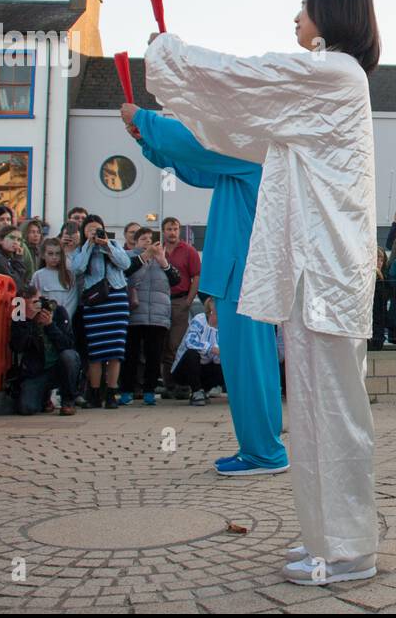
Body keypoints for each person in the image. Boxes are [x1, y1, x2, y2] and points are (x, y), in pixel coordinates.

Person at [142, 0, 382, 585]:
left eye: (303, 7)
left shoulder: (333, 74)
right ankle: (327, 540)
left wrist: (170, 54)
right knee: (310, 412)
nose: (295, 18)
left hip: (327, 273)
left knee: (333, 410)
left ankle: (351, 548)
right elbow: (238, 125)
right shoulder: (322, 83)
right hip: (313, 271)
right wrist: (176, 86)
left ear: (330, 11)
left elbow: (247, 78)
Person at [123, 103, 287, 476]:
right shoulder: (243, 158)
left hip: (242, 274)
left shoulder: (253, 151)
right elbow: (194, 168)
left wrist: (146, 120)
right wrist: (147, 143)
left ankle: (264, 453)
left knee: (247, 365)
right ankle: (262, 448)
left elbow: (195, 146)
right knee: (250, 364)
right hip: (244, 273)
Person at [68, 215, 132, 408]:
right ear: (83, 232)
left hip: (116, 299)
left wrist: (106, 246)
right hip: (95, 302)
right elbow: (77, 268)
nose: (95, 233)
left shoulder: (112, 244)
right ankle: (95, 393)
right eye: (90, 230)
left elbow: (125, 264)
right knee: (96, 351)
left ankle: (111, 393)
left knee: (115, 350)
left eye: (98, 229)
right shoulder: (81, 250)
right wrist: (88, 244)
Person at [121, 228, 181, 406]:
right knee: (130, 355)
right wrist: (145, 257)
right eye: (143, 238)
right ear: (136, 241)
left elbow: (176, 280)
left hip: (157, 316)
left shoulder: (162, 260)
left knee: (153, 356)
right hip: (134, 314)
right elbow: (127, 274)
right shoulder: (129, 257)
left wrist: (163, 261)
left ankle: (149, 390)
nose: (148, 241)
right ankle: (126, 390)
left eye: (151, 239)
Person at [10, 285, 81, 416]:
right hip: (37, 371)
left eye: (36, 301)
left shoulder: (57, 311)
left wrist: (50, 325)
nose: (35, 306)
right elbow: (18, 347)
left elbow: (68, 344)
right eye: (28, 303)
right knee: (26, 408)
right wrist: (28, 320)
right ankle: (44, 398)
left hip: (60, 367)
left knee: (69, 356)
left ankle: (68, 401)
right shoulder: (20, 316)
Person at [159, 216, 202, 387]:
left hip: (179, 301)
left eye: (175, 229)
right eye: (169, 229)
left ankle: (178, 383)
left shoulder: (188, 250)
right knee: (162, 343)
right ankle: (166, 383)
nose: (172, 232)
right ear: (163, 231)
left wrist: (188, 300)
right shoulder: (158, 250)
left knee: (175, 343)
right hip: (160, 302)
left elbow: (197, 276)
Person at [171, 297, 224, 406]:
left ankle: (206, 389)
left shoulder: (225, 328)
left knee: (227, 362)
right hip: (185, 369)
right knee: (192, 353)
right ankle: (196, 391)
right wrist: (211, 348)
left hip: (207, 369)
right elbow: (189, 342)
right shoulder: (200, 319)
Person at [33, 238, 78, 319]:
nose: (54, 257)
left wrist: (64, 318)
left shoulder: (69, 275)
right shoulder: (38, 276)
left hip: (65, 322)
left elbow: (73, 301)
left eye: (58, 253)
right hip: (44, 322)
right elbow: (34, 300)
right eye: (50, 253)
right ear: (43, 255)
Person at [0, 224, 31, 288]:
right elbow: (15, 284)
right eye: (12, 238)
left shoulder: (9, 257)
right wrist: (19, 259)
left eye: (19, 240)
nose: (16, 242)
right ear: (1, 240)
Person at [369, 248, 390, 351]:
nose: (379, 263)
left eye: (381, 260)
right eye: (377, 259)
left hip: (379, 317)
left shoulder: (383, 277)